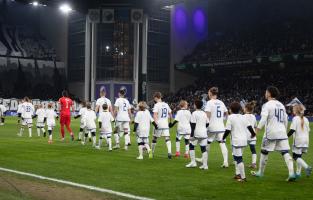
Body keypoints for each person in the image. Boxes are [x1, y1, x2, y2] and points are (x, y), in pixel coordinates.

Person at [251, 86, 296, 181]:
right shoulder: (281, 105)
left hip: (271, 133)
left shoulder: (267, 105)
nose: (265, 93)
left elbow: (263, 119)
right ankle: (291, 173)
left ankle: (260, 172)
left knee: (264, 151)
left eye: (266, 92)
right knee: (285, 152)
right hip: (282, 132)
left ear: (269, 94)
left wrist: (257, 131)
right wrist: (284, 129)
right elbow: (285, 120)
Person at [223, 102, 256, 182]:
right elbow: (250, 127)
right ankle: (237, 174)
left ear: (231, 109)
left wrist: (223, 138)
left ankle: (243, 177)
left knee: (238, 159)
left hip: (236, 141)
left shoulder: (230, 117)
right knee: (236, 157)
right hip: (244, 140)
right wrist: (253, 134)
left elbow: (227, 130)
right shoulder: (243, 117)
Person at [204, 87, 229, 168]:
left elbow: (208, 114)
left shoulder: (209, 102)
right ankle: (225, 161)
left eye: (208, 92)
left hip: (211, 126)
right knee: (222, 143)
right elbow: (226, 113)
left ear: (211, 93)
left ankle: (205, 161)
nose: (208, 94)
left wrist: (206, 125)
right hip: (221, 126)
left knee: (207, 143)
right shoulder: (221, 102)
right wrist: (222, 119)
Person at [288, 104, 312, 178]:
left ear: (296, 110)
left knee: (295, 157)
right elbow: (308, 130)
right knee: (299, 156)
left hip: (298, 140)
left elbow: (292, 130)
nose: (292, 110)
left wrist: (286, 137)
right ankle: (298, 173)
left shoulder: (295, 118)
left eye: (293, 109)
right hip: (306, 140)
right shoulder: (306, 119)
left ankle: (307, 167)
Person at [186, 100, 209, 170]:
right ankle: (205, 165)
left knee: (191, 146)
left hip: (197, 133)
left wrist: (191, 136)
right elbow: (208, 123)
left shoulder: (194, 113)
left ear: (195, 105)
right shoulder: (204, 113)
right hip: (204, 133)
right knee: (203, 149)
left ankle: (193, 162)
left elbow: (193, 126)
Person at [151, 92, 173, 159]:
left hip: (159, 123)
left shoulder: (157, 105)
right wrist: (170, 122)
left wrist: (155, 124)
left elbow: (155, 115)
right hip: (165, 124)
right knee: (167, 138)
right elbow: (170, 113)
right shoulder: (166, 104)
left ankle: (152, 152)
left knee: (154, 138)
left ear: (156, 97)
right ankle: (169, 152)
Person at [243, 101, 258, 169]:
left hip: (245, 136)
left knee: (240, 149)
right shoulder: (254, 116)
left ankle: (237, 161)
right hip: (253, 136)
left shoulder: (243, 116)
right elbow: (255, 126)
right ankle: (254, 163)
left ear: (246, 108)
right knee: (253, 149)